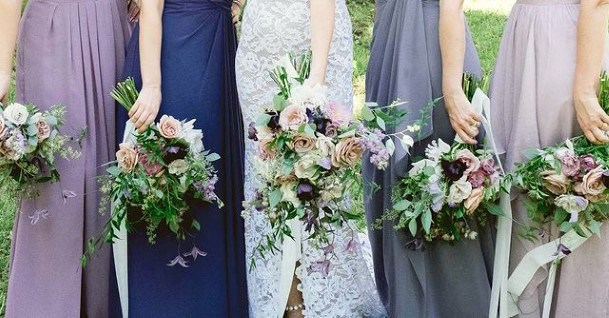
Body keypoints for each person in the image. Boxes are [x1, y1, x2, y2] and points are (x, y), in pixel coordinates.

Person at [235, 0, 386, 316]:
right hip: (258, 56)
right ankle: (282, 292)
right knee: (267, 168)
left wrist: (315, 81)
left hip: (314, 46)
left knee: (315, 170)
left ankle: (314, 295)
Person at [114, 0, 249, 316]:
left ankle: (209, 304)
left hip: (216, 53)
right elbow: (150, 6)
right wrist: (152, 85)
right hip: (174, 55)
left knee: (209, 183)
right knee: (174, 181)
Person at [364, 0, 495, 317]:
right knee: (395, 179)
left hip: (432, 46)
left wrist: (451, 87)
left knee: (439, 179)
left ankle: (458, 305)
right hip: (390, 46)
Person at [0, 0, 130, 316]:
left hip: (110, 29)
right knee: (59, 173)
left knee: (106, 170)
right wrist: (3, 68)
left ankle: (101, 302)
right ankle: (46, 304)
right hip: (53, 33)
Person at [490, 0, 609, 316]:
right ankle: (526, 302)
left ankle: (575, 306)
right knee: (532, 179)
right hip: (525, 36)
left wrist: (584, 90)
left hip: (562, 42)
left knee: (572, 180)